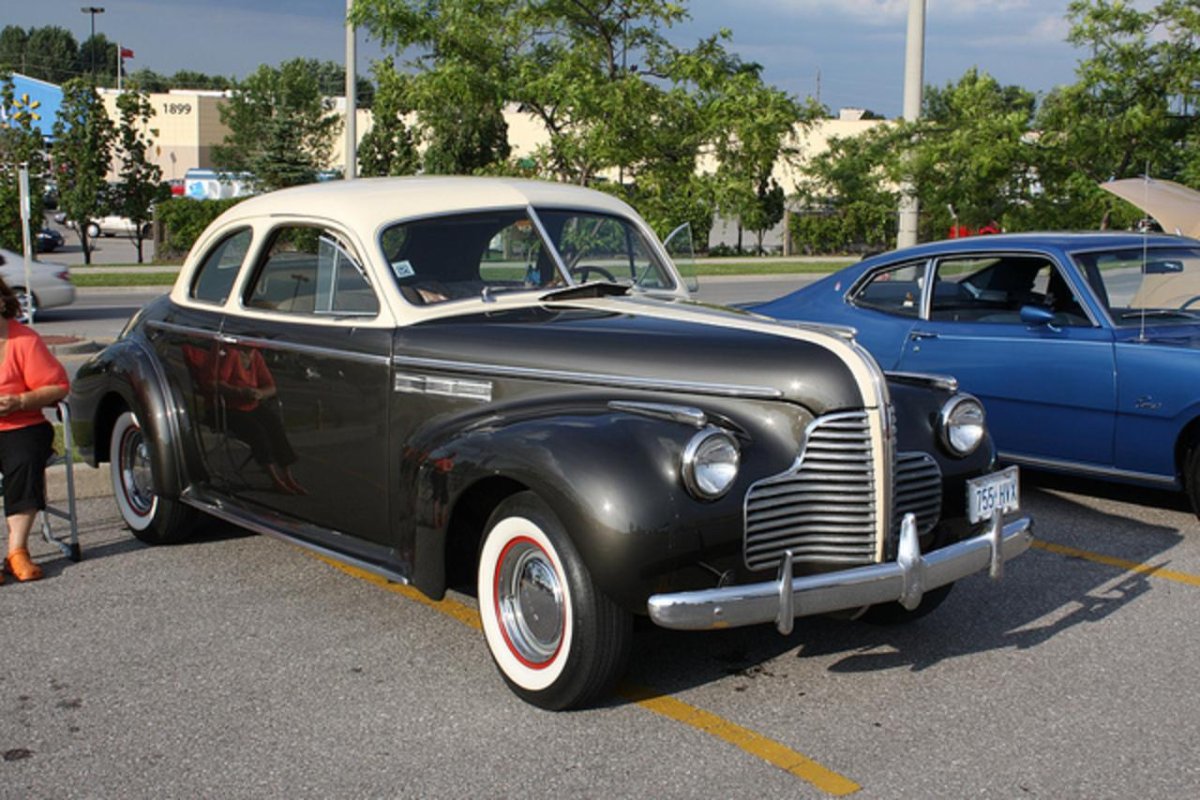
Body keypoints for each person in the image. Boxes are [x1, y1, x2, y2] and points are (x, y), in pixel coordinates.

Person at [0, 277, 69, 583]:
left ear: (2, 302)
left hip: (22, 423)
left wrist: (20, 400)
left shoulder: (24, 340)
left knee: (24, 459)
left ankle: (17, 552)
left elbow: (58, 387)